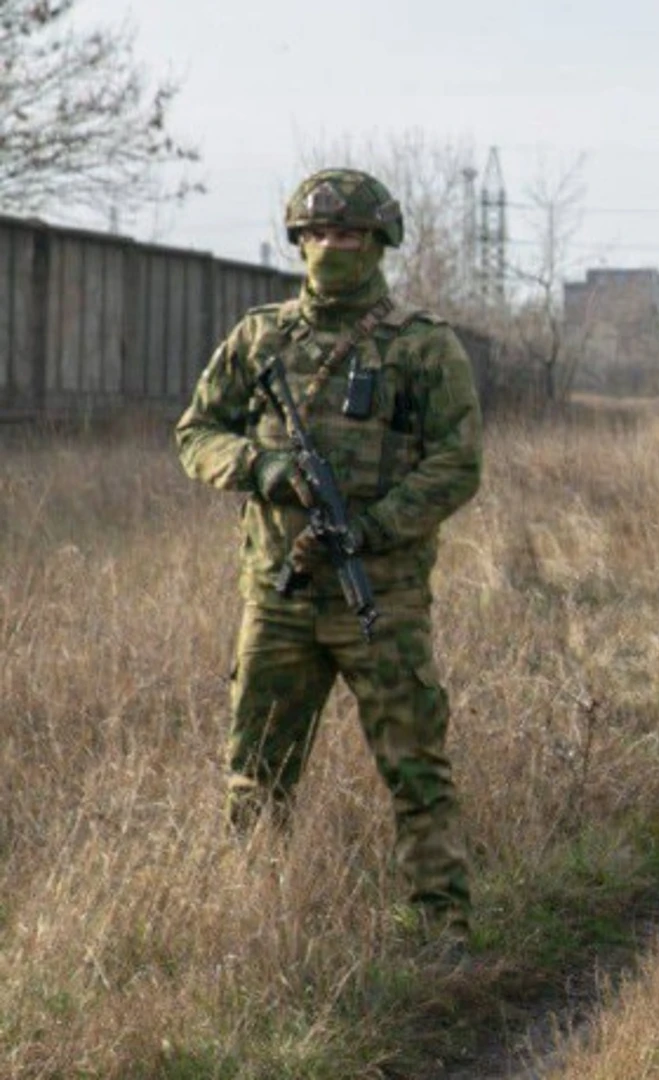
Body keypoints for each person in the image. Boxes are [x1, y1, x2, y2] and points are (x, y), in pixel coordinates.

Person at [176, 168, 483, 944]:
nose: (331, 248)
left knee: (415, 771)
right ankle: (250, 927)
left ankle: (442, 926)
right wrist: (263, 469)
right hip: (279, 598)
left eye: (348, 235)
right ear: (298, 243)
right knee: (256, 777)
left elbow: (457, 462)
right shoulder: (260, 338)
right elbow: (196, 434)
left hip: (380, 600)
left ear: (378, 244)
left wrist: (374, 529)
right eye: (317, 235)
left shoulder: (421, 347)